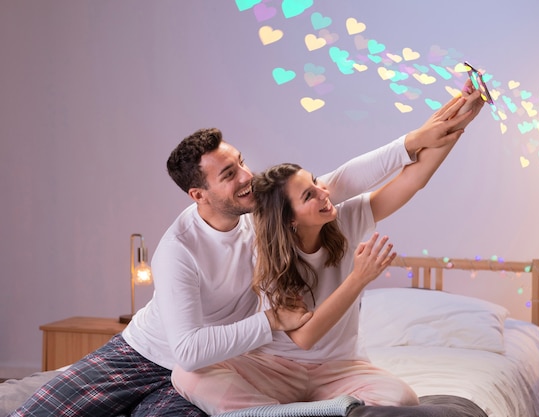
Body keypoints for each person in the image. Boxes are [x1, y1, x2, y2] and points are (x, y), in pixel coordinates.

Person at [10, 81, 482, 416]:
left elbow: (344, 180)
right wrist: (274, 320)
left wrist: (419, 138)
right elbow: (189, 351)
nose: (246, 178)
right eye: (228, 175)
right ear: (199, 195)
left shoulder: (265, 216)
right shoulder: (180, 250)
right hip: (156, 354)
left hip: (227, 361)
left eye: (240, 163)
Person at [170, 92, 483, 414]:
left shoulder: (346, 218)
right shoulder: (266, 254)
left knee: (400, 398)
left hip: (340, 368)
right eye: (309, 194)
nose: (324, 193)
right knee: (187, 374)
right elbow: (304, 338)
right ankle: (297, 410)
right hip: (274, 366)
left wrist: (458, 125)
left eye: (317, 182)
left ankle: (286, 411)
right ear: (289, 219)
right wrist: (359, 278)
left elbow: (413, 177)